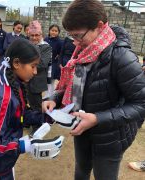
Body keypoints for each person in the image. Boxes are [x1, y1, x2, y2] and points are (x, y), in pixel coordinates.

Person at [42, 0, 145, 180]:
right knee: (81, 171)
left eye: (78, 36)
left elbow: (141, 104)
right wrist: (55, 97)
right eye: (71, 36)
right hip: (81, 128)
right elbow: (73, 87)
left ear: (99, 26)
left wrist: (97, 119)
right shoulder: (82, 51)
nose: (75, 43)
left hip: (110, 137)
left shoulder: (122, 58)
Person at [0, 39, 64, 180]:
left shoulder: (13, 83)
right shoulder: (4, 98)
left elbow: (19, 115)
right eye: (33, 66)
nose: (35, 72)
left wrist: (47, 116)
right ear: (16, 63)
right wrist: (24, 145)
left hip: (3, 162)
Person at [27, 20, 52, 134]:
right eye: (32, 35)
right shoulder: (26, 44)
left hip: (37, 81)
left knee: (36, 105)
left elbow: (43, 63)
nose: (34, 37)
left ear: (41, 35)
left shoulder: (46, 47)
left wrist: (27, 64)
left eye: (37, 35)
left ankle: (37, 126)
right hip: (25, 79)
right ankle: (28, 121)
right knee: (25, 102)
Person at [44, 24, 62, 94]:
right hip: (45, 63)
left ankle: (50, 96)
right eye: (52, 30)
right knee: (45, 80)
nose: (54, 32)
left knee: (51, 81)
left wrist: (58, 56)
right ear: (49, 31)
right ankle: (45, 96)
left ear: (58, 32)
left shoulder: (59, 42)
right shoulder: (45, 40)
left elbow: (61, 52)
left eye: (56, 31)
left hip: (53, 64)